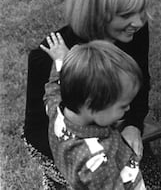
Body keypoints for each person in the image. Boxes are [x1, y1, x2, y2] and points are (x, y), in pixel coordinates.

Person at [23, 0, 161, 189]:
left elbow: (139, 85)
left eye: (141, 10)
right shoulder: (46, 57)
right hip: (70, 155)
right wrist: (88, 157)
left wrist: (132, 124)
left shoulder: (134, 31)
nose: (139, 22)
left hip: (112, 134)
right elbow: (37, 130)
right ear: (96, 12)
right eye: (127, 14)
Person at [42, 38, 146, 189]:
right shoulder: (98, 160)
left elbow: (53, 89)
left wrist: (61, 61)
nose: (128, 108)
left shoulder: (56, 112)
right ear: (92, 106)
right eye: (123, 106)